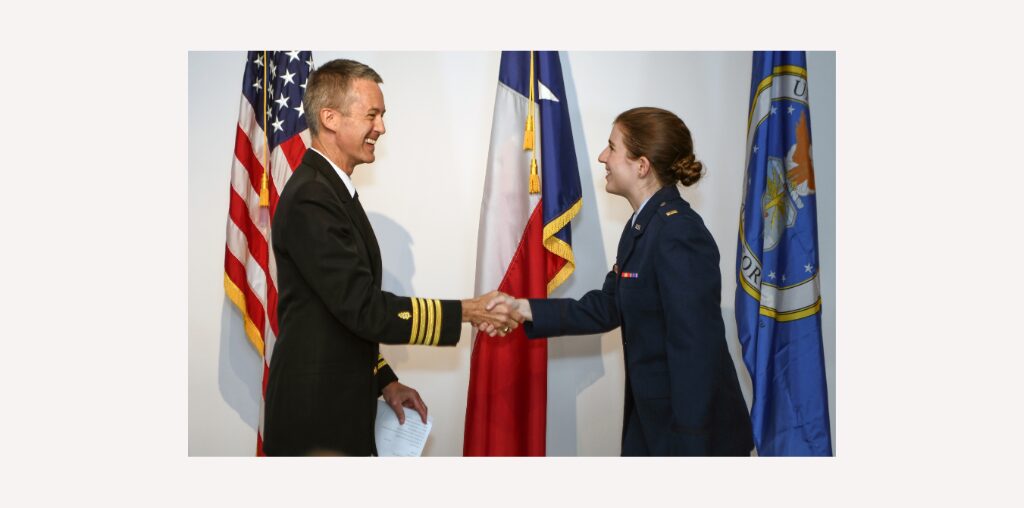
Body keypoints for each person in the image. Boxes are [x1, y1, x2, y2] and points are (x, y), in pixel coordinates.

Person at [264, 59, 519, 457]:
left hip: (335, 409)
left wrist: (385, 379)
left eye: (381, 115)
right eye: (372, 114)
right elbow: (363, 308)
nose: (381, 127)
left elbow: (337, 316)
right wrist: (468, 311)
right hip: (316, 421)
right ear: (330, 118)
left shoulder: (330, 189)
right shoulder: (314, 196)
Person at [486, 107, 754, 456]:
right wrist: (522, 308)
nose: (602, 157)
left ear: (641, 166)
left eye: (612, 147)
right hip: (654, 425)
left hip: (691, 435)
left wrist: (690, 450)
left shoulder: (679, 233)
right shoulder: (641, 228)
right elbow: (608, 307)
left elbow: (695, 353)